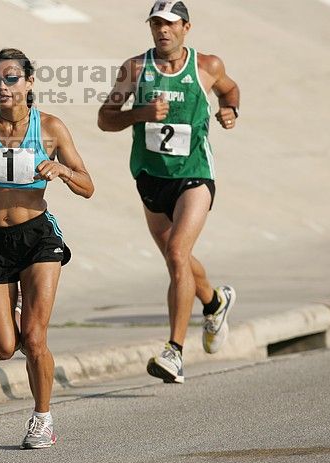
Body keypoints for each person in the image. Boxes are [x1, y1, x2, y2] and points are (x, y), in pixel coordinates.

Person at [0, 48, 94, 448]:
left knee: (33, 337)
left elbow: (88, 185)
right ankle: (16, 307)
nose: (1, 86)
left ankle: (42, 418)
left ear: (30, 82)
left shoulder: (50, 129)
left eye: (10, 78)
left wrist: (62, 170)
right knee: (2, 348)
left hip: (36, 239)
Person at [97, 1, 240, 384]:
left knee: (177, 252)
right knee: (178, 259)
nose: (163, 30)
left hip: (194, 174)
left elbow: (230, 91)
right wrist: (138, 114)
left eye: (170, 24)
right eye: (156, 23)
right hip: (150, 177)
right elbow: (104, 118)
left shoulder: (207, 66)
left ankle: (174, 352)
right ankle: (214, 301)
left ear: (186, 28)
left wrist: (230, 112)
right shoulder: (136, 68)